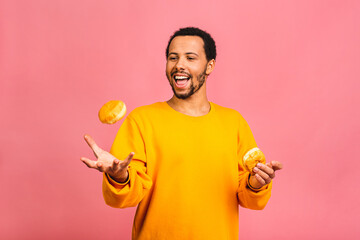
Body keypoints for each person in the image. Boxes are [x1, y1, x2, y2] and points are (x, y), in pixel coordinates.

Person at [81, 27, 283, 240]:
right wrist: (120, 177)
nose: (179, 65)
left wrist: (256, 182)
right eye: (173, 57)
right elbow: (123, 198)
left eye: (190, 57)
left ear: (209, 66)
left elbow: (249, 196)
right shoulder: (141, 120)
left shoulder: (234, 123)